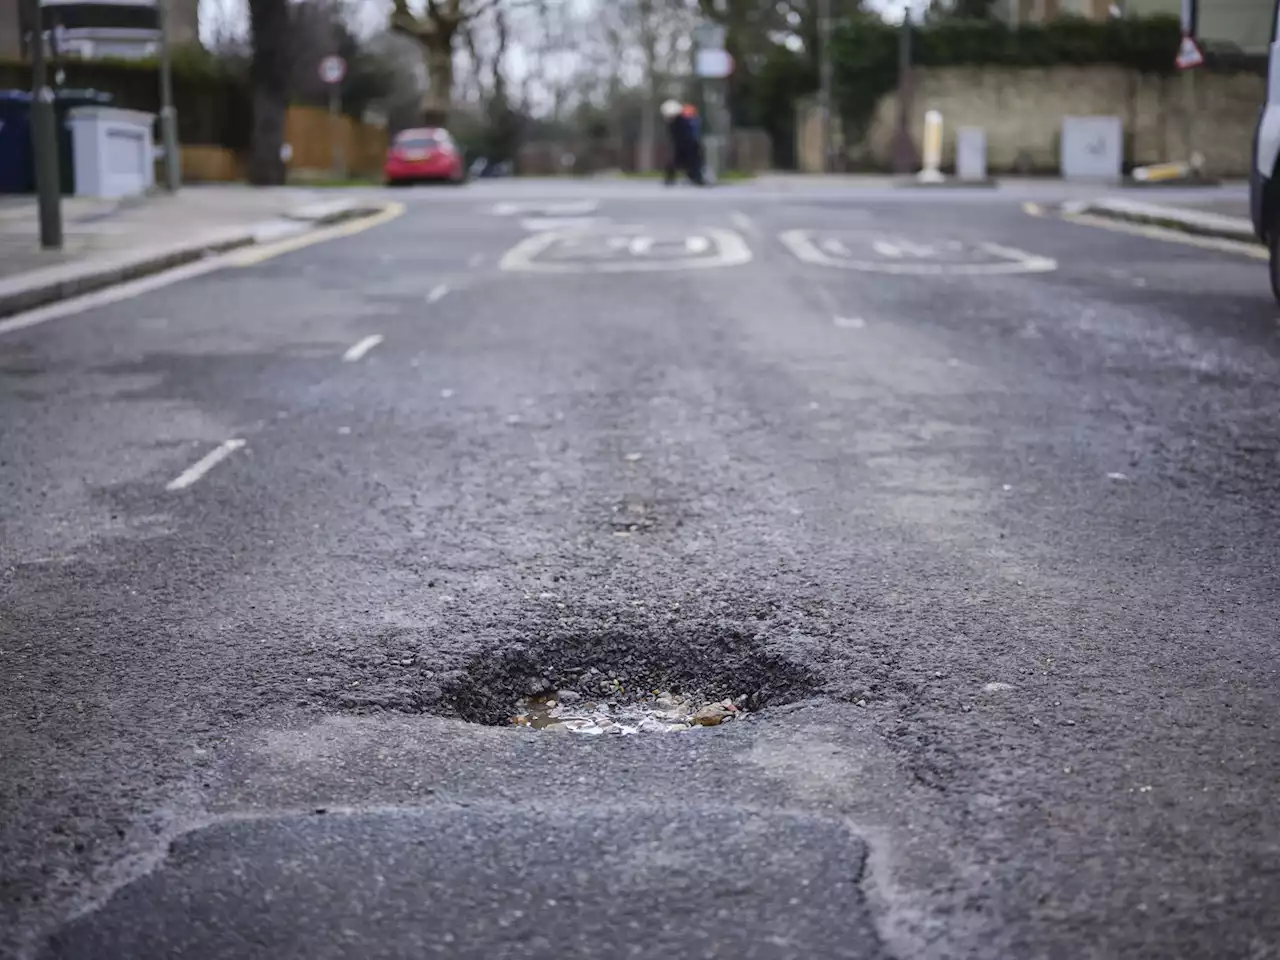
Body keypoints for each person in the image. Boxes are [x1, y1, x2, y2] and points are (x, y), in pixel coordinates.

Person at [661, 99, 705, 187]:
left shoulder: (687, 118)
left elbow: (694, 128)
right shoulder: (674, 122)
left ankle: (696, 177)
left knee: (693, 161)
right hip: (680, 143)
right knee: (676, 161)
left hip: (690, 143)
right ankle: (670, 178)